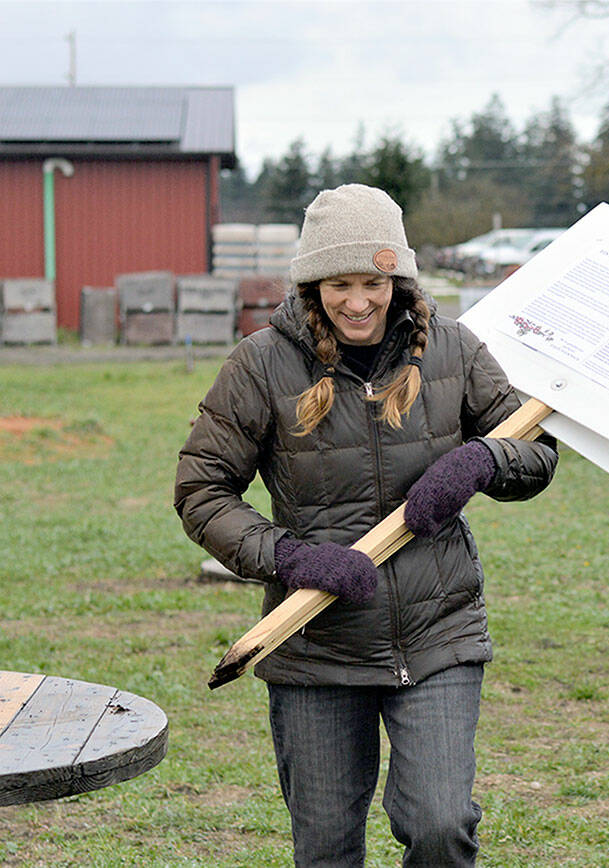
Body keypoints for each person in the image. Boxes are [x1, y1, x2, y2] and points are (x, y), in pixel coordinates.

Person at [175, 184, 558, 867]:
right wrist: (290, 558)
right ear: (311, 283)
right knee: (324, 847)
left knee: (439, 825)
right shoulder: (261, 365)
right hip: (316, 644)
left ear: (399, 278)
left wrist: (482, 459)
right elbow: (203, 491)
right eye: (339, 283)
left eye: (374, 282)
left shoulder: (455, 350)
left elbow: (535, 451)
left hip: (438, 631)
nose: (358, 301)